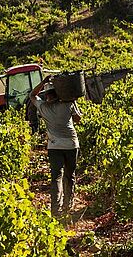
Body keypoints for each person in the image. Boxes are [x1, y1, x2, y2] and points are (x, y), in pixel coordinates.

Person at [30, 75, 82, 217]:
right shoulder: (67, 104)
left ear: (47, 96)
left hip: (54, 147)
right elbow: (78, 119)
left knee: (56, 177)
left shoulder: (43, 107)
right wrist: (72, 102)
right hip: (71, 145)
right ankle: (67, 206)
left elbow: (32, 95)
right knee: (70, 176)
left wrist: (43, 82)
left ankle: (55, 210)